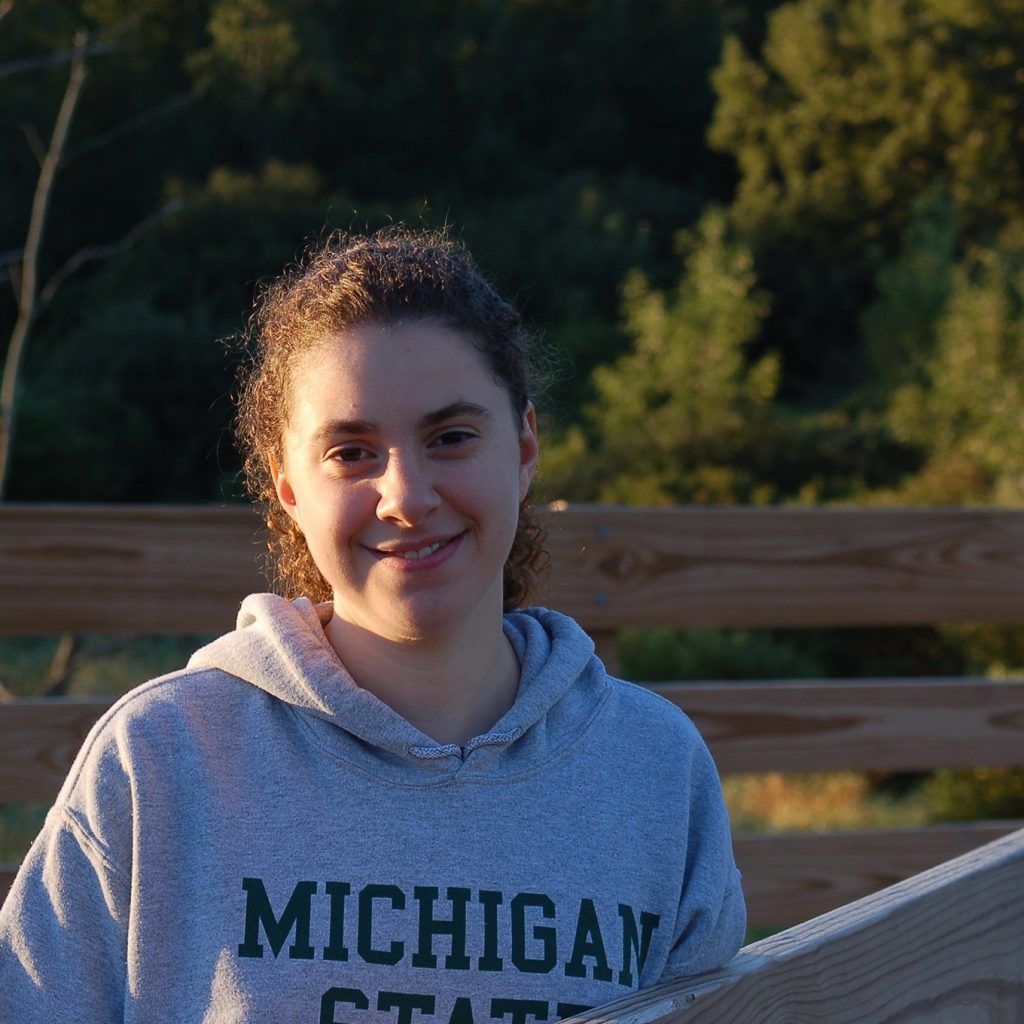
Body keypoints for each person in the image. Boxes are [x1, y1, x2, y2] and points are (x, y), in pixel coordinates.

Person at [0, 227, 745, 1022]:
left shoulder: (654, 767)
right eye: (351, 453)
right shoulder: (162, 757)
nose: (407, 497)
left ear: (525, 449)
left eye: (450, 438)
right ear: (288, 488)